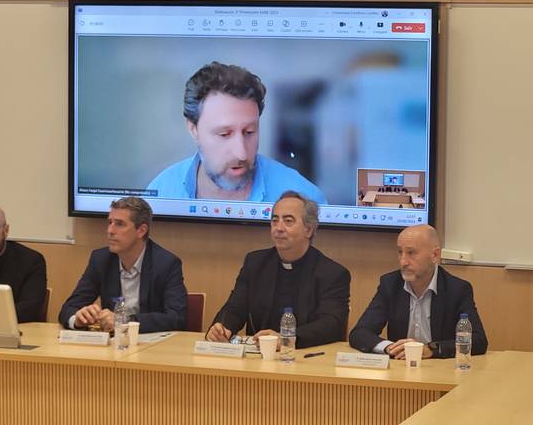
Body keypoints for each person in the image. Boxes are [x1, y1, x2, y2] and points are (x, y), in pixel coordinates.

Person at [147, 62, 327, 204]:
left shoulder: (305, 199)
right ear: (194, 129)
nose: (241, 153)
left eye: (249, 132)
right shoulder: (160, 193)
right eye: (224, 134)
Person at [205, 191, 350, 348]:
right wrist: (222, 328)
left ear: (308, 229)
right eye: (275, 221)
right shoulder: (255, 263)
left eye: (288, 221)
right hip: (257, 357)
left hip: (306, 358)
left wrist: (287, 339)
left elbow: (331, 325)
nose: (278, 228)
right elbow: (235, 308)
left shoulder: (332, 273)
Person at [349, 224, 488, 359]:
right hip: (400, 369)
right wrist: (390, 348)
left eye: (411, 253)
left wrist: (432, 349)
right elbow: (360, 333)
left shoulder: (457, 289)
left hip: (440, 370)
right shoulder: (390, 284)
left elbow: (478, 341)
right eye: (400, 252)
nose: (403, 261)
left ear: (435, 255)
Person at [59, 197, 187, 333]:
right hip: (112, 345)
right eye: (109, 222)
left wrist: (125, 321)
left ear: (141, 230)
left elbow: (177, 318)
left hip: (150, 346)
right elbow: (68, 309)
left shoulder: (166, 264)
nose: (110, 230)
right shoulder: (101, 260)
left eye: (119, 224)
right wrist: (78, 319)